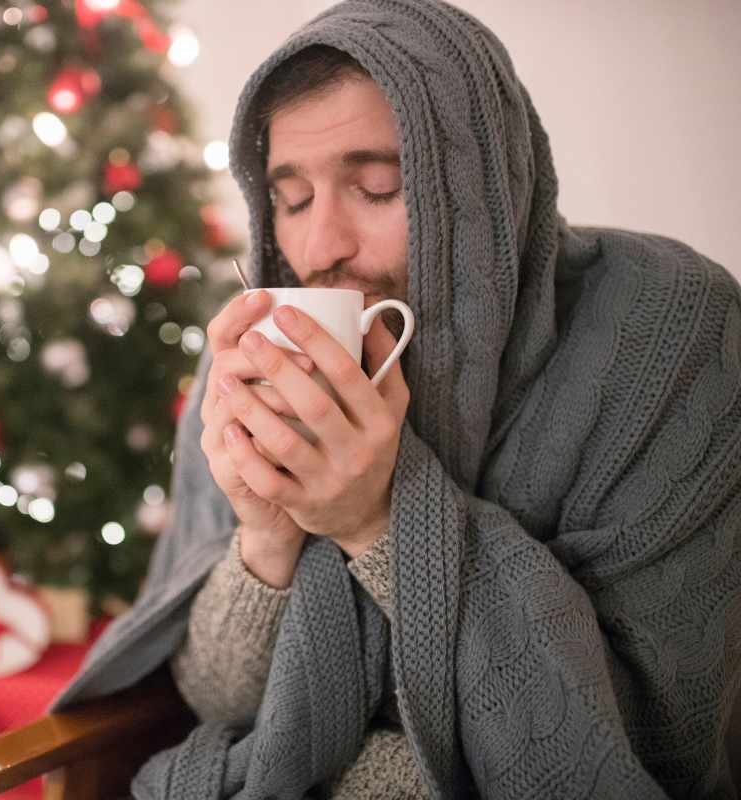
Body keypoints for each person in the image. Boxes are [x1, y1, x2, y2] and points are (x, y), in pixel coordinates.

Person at [51, 1, 741, 797]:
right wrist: (264, 541)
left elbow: (648, 750)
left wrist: (378, 517)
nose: (318, 249)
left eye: (377, 187)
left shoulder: (671, 334)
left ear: (479, 190)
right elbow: (219, 699)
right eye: (292, 200)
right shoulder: (258, 360)